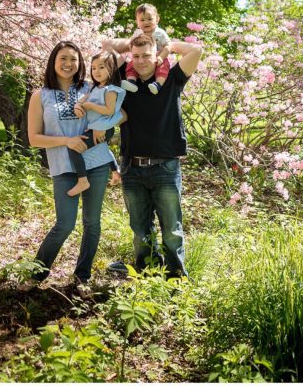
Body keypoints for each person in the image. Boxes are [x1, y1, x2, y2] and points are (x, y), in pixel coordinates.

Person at [26, 40, 121, 293]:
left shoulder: (91, 88)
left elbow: (121, 113)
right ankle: (36, 275)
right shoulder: (40, 96)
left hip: (96, 163)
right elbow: (34, 138)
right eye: (63, 59)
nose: (69, 64)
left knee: (92, 223)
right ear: (53, 62)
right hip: (63, 167)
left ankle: (82, 278)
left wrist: (104, 127)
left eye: (74, 59)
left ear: (81, 64)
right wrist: (67, 140)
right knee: (65, 224)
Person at [117, 33, 203, 278]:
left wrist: (168, 47)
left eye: (147, 55)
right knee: (139, 229)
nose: (141, 61)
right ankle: (147, 275)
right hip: (131, 167)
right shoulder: (125, 79)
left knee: (171, 230)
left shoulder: (171, 79)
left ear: (157, 56)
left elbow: (195, 51)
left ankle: (176, 278)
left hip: (165, 166)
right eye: (136, 56)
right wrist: (130, 43)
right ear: (130, 57)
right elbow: (105, 48)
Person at [67, 51, 127, 198]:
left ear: (111, 69)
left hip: (105, 127)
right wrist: (78, 105)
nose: (97, 71)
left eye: (101, 67)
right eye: (93, 68)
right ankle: (115, 172)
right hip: (96, 126)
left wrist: (90, 106)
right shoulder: (95, 88)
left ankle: (82, 180)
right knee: (102, 147)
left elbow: (109, 110)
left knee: (74, 148)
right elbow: (84, 98)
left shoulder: (110, 90)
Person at [102, 3, 171, 94]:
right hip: (142, 56)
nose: (146, 22)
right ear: (137, 22)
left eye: (149, 19)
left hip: (158, 57)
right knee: (131, 65)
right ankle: (131, 81)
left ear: (157, 19)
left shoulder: (160, 33)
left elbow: (168, 45)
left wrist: (161, 57)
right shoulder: (138, 33)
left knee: (163, 67)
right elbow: (131, 45)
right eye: (142, 20)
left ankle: (158, 84)